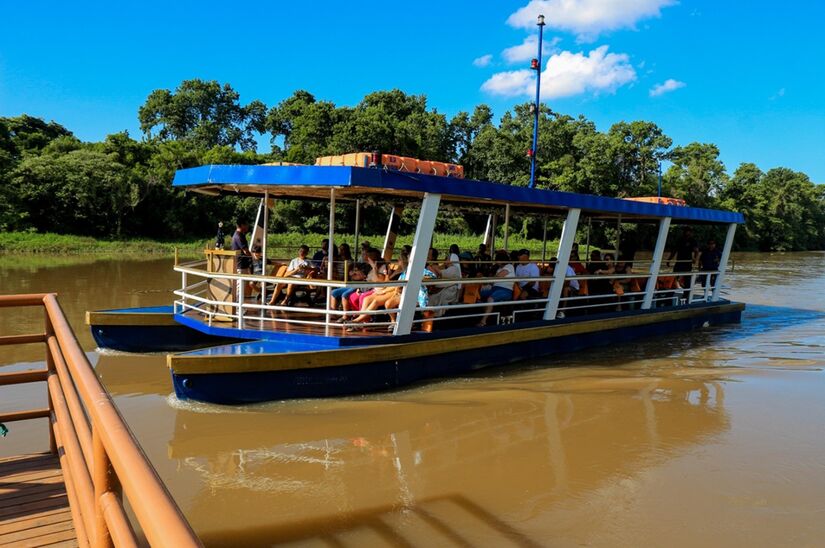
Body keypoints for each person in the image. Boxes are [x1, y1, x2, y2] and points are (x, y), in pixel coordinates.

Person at [477, 250, 515, 327]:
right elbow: (494, 281)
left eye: (497, 260)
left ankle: (483, 321)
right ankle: (486, 315)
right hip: (495, 288)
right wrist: (486, 281)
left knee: (491, 298)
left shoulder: (509, 266)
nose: (496, 262)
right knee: (479, 294)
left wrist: (486, 279)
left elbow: (498, 276)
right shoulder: (499, 269)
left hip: (505, 290)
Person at [428, 247, 462, 316]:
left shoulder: (454, 269)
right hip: (446, 289)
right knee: (431, 297)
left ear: (451, 260)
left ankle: (433, 316)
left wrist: (431, 266)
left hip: (450, 291)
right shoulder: (450, 268)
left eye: (446, 259)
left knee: (433, 298)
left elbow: (441, 273)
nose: (444, 260)